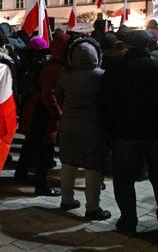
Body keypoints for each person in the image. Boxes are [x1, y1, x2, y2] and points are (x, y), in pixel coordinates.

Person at [100, 30, 158, 237]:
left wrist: (108, 131)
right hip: (157, 134)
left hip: (126, 133)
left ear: (126, 46)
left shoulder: (116, 71)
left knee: (124, 179)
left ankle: (128, 220)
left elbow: (106, 104)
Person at [56, 38, 111, 220]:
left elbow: (60, 97)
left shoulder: (65, 76)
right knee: (93, 166)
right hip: (94, 126)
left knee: (68, 162)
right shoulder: (102, 76)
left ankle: (66, 199)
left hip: (69, 124)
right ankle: (93, 208)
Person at [15, 33, 69, 196]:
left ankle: (21, 173)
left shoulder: (45, 62)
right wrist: (58, 113)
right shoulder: (55, 67)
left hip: (33, 107)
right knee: (45, 149)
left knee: (31, 143)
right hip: (43, 112)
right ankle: (42, 184)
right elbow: (48, 94)